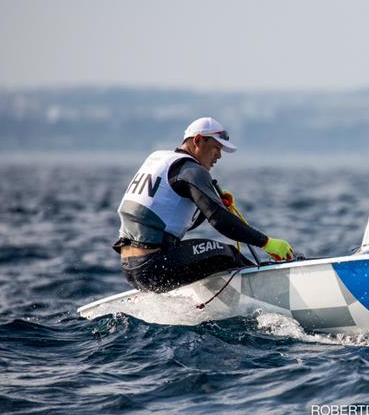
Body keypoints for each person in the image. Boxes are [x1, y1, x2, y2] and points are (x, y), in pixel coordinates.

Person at [113, 117, 294, 293]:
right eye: (216, 147)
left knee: (213, 256)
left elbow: (176, 221)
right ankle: (273, 292)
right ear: (198, 140)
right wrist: (266, 243)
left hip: (132, 269)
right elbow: (220, 221)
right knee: (227, 254)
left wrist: (214, 203)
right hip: (155, 264)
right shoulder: (192, 170)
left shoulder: (159, 159)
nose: (219, 155)